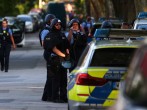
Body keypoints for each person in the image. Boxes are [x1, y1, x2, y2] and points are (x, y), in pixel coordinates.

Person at [42, 18, 70, 103]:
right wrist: (64, 55)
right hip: (54, 60)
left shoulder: (62, 34)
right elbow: (54, 49)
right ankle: (55, 97)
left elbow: (66, 46)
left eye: (59, 24)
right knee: (55, 80)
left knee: (64, 80)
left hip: (63, 60)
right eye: (56, 25)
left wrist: (67, 54)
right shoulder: (50, 35)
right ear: (53, 25)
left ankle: (63, 96)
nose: (58, 26)